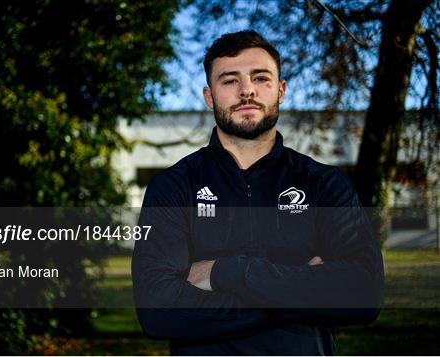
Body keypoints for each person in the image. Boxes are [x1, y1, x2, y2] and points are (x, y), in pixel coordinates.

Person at [131, 30, 383, 355]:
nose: (247, 90)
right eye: (229, 80)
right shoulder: (174, 187)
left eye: (260, 78)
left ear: (280, 90)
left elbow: (363, 295)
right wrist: (302, 289)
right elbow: (157, 311)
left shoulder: (324, 184)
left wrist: (228, 272)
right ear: (210, 97)